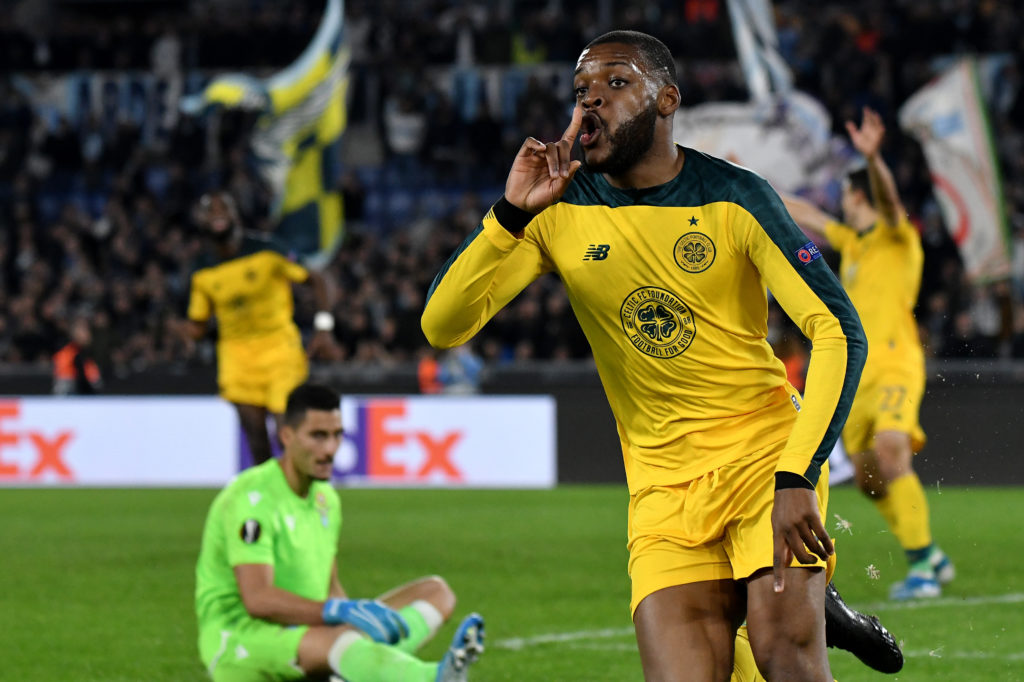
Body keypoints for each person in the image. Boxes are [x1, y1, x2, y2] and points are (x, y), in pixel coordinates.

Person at [422, 29, 871, 681]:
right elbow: (443, 325)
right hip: (661, 487)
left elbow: (837, 329)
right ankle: (819, 606)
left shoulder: (735, 196)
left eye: (615, 83)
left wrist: (799, 474)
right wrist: (508, 216)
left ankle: (805, 607)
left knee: (787, 658)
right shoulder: (557, 208)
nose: (592, 101)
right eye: (581, 90)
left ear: (667, 100)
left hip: (763, 457)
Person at [194, 383, 485, 682]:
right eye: (318, 436)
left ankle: (355, 668)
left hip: (309, 633)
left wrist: (358, 619)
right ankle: (430, 677)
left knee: (436, 592)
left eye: (336, 435)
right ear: (287, 436)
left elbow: (329, 588)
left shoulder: (326, 500)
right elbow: (258, 600)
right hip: (242, 638)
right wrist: (339, 612)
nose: (330, 449)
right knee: (341, 643)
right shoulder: (251, 498)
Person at [781, 107, 953, 600]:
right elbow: (807, 215)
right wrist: (749, 184)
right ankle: (931, 554)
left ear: (859, 196)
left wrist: (874, 159)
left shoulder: (898, 238)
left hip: (897, 362)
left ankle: (921, 567)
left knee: (892, 452)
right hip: (859, 375)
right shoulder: (854, 244)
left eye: (848, 197)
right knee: (871, 478)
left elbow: (891, 200)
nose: (843, 205)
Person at [183, 190, 340, 466]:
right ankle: (271, 503)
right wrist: (182, 330)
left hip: (279, 349)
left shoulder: (267, 249)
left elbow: (316, 279)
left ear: (235, 214)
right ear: (201, 221)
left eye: (224, 207)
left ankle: (302, 498)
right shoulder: (201, 270)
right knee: (256, 439)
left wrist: (323, 328)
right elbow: (198, 324)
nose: (217, 213)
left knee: (287, 433)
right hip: (237, 357)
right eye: (210, 209)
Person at [52, 316, 102, 395]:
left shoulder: (89, 354)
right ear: (74, 333)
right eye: (82, 330)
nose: (87, 334)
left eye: (87, 330)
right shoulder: (66, 354)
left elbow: (95, 381)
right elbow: (62, 385)